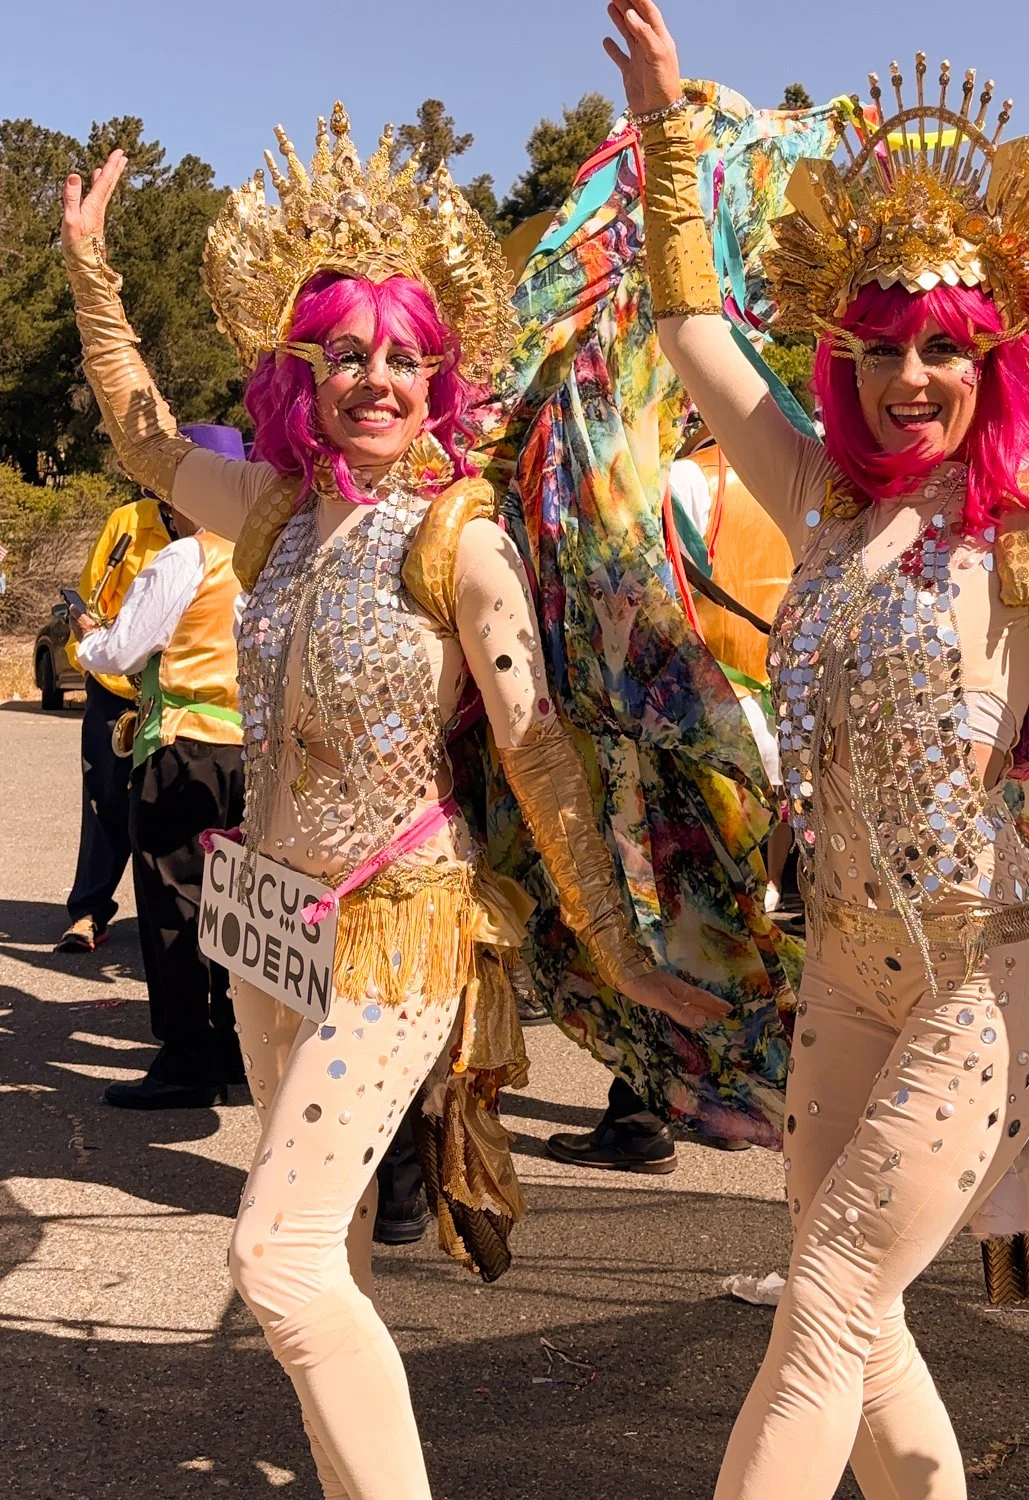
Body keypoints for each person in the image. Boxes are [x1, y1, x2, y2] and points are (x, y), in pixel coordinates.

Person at [61, 105, 722, 1498]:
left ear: (440, 378)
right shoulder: (269, 513)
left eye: (405, 357)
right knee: (334, 1245)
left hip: (395, 928)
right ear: (301, 370)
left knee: (272, 1259)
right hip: (267, 921)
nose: (376, 378)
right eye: (348, 353)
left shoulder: (457, 534)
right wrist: (91, 277)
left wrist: (611, 947)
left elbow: (538, 751)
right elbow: (136, 437)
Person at [604, 4, 1029, 1497]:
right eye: (885, 347)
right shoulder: (819, 499)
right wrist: (667, 128)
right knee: (859, 1309)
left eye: (946, 350)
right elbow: (690, 328)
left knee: (829, 1303)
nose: (913, 377)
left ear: (991, 362)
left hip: (986, 977)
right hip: (841, 972)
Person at [71, 424, 247, 1108]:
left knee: (175, 904)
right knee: (241, 908)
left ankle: (186, 1059)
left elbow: (121, 653)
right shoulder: (274, 556)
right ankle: (238, 1048)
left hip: (184, 747)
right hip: (255, 751)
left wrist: (91, 643)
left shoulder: (183, 559)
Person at [56, 496, 168, 952]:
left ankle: (168, 919)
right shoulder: (128, 520)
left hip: (184, 694)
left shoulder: (227, 526)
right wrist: (95, 665)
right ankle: (89, 910)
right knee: (105, 800)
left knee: (172, 806)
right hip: (119, 688)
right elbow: (92, 595)